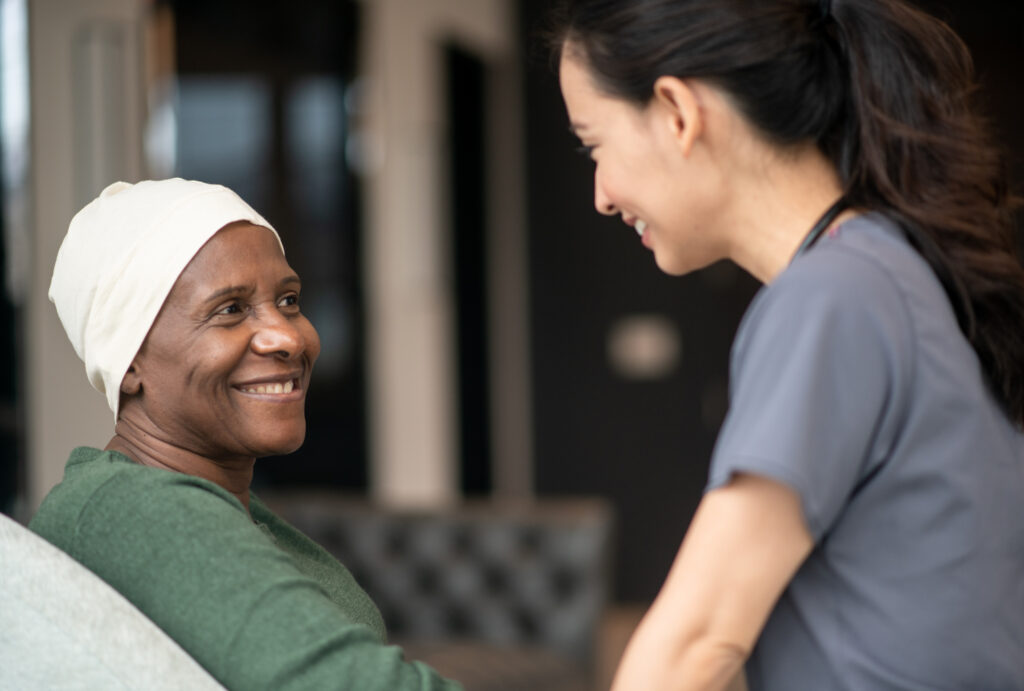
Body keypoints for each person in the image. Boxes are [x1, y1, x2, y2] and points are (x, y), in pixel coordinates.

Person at [550, 0, 1024, 689]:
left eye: (595, 144)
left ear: (678, 113)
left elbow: (697, 642)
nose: (600, 193)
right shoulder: (892, 269)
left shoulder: (833, 296)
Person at [30, 179, 462, 690]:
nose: (288, 336)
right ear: (129, 362)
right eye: (230, 309)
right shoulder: (127, 507)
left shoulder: (239, 517)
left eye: (289, 300)